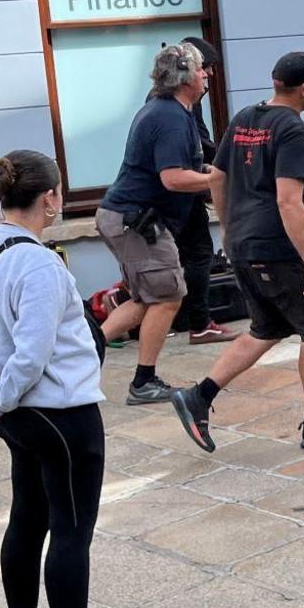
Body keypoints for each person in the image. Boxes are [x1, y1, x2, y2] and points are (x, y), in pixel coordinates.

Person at [0, 150, 141, 608]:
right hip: (61, 413)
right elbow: (33, 352)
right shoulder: (39, 263)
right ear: (51, 198)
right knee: (70, 530)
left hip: (18, 414)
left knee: (29, 514)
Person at [167, 52, 304, 454]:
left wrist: (230, 226)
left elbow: (216, 176)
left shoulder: (244, 118)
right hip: (277, 250)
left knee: (266, 328)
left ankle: (198, 396)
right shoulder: (293, 131)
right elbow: (289, 201)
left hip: (243, 245)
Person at [95, 42, 220, 404]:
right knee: (168, 296)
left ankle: (80, 354)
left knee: (146, 297)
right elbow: (173, 178)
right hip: (136, 221)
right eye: (201, 69)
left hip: (126, 218)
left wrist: (207, 172)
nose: (206, 74)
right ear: (184, 78)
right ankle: (143, 382)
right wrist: (218, 180)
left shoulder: (169, 111)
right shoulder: (169, 117)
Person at [172, 36, 235, 347]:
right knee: (198, 255)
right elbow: (199, 142)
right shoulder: (177, 106)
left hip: (184, 193)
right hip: (182, 195)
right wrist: (222, 168)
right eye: (205, 69)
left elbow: (202, 139)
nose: (209, 76)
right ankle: (199, 324)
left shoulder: (179, 103)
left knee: (184, 257)